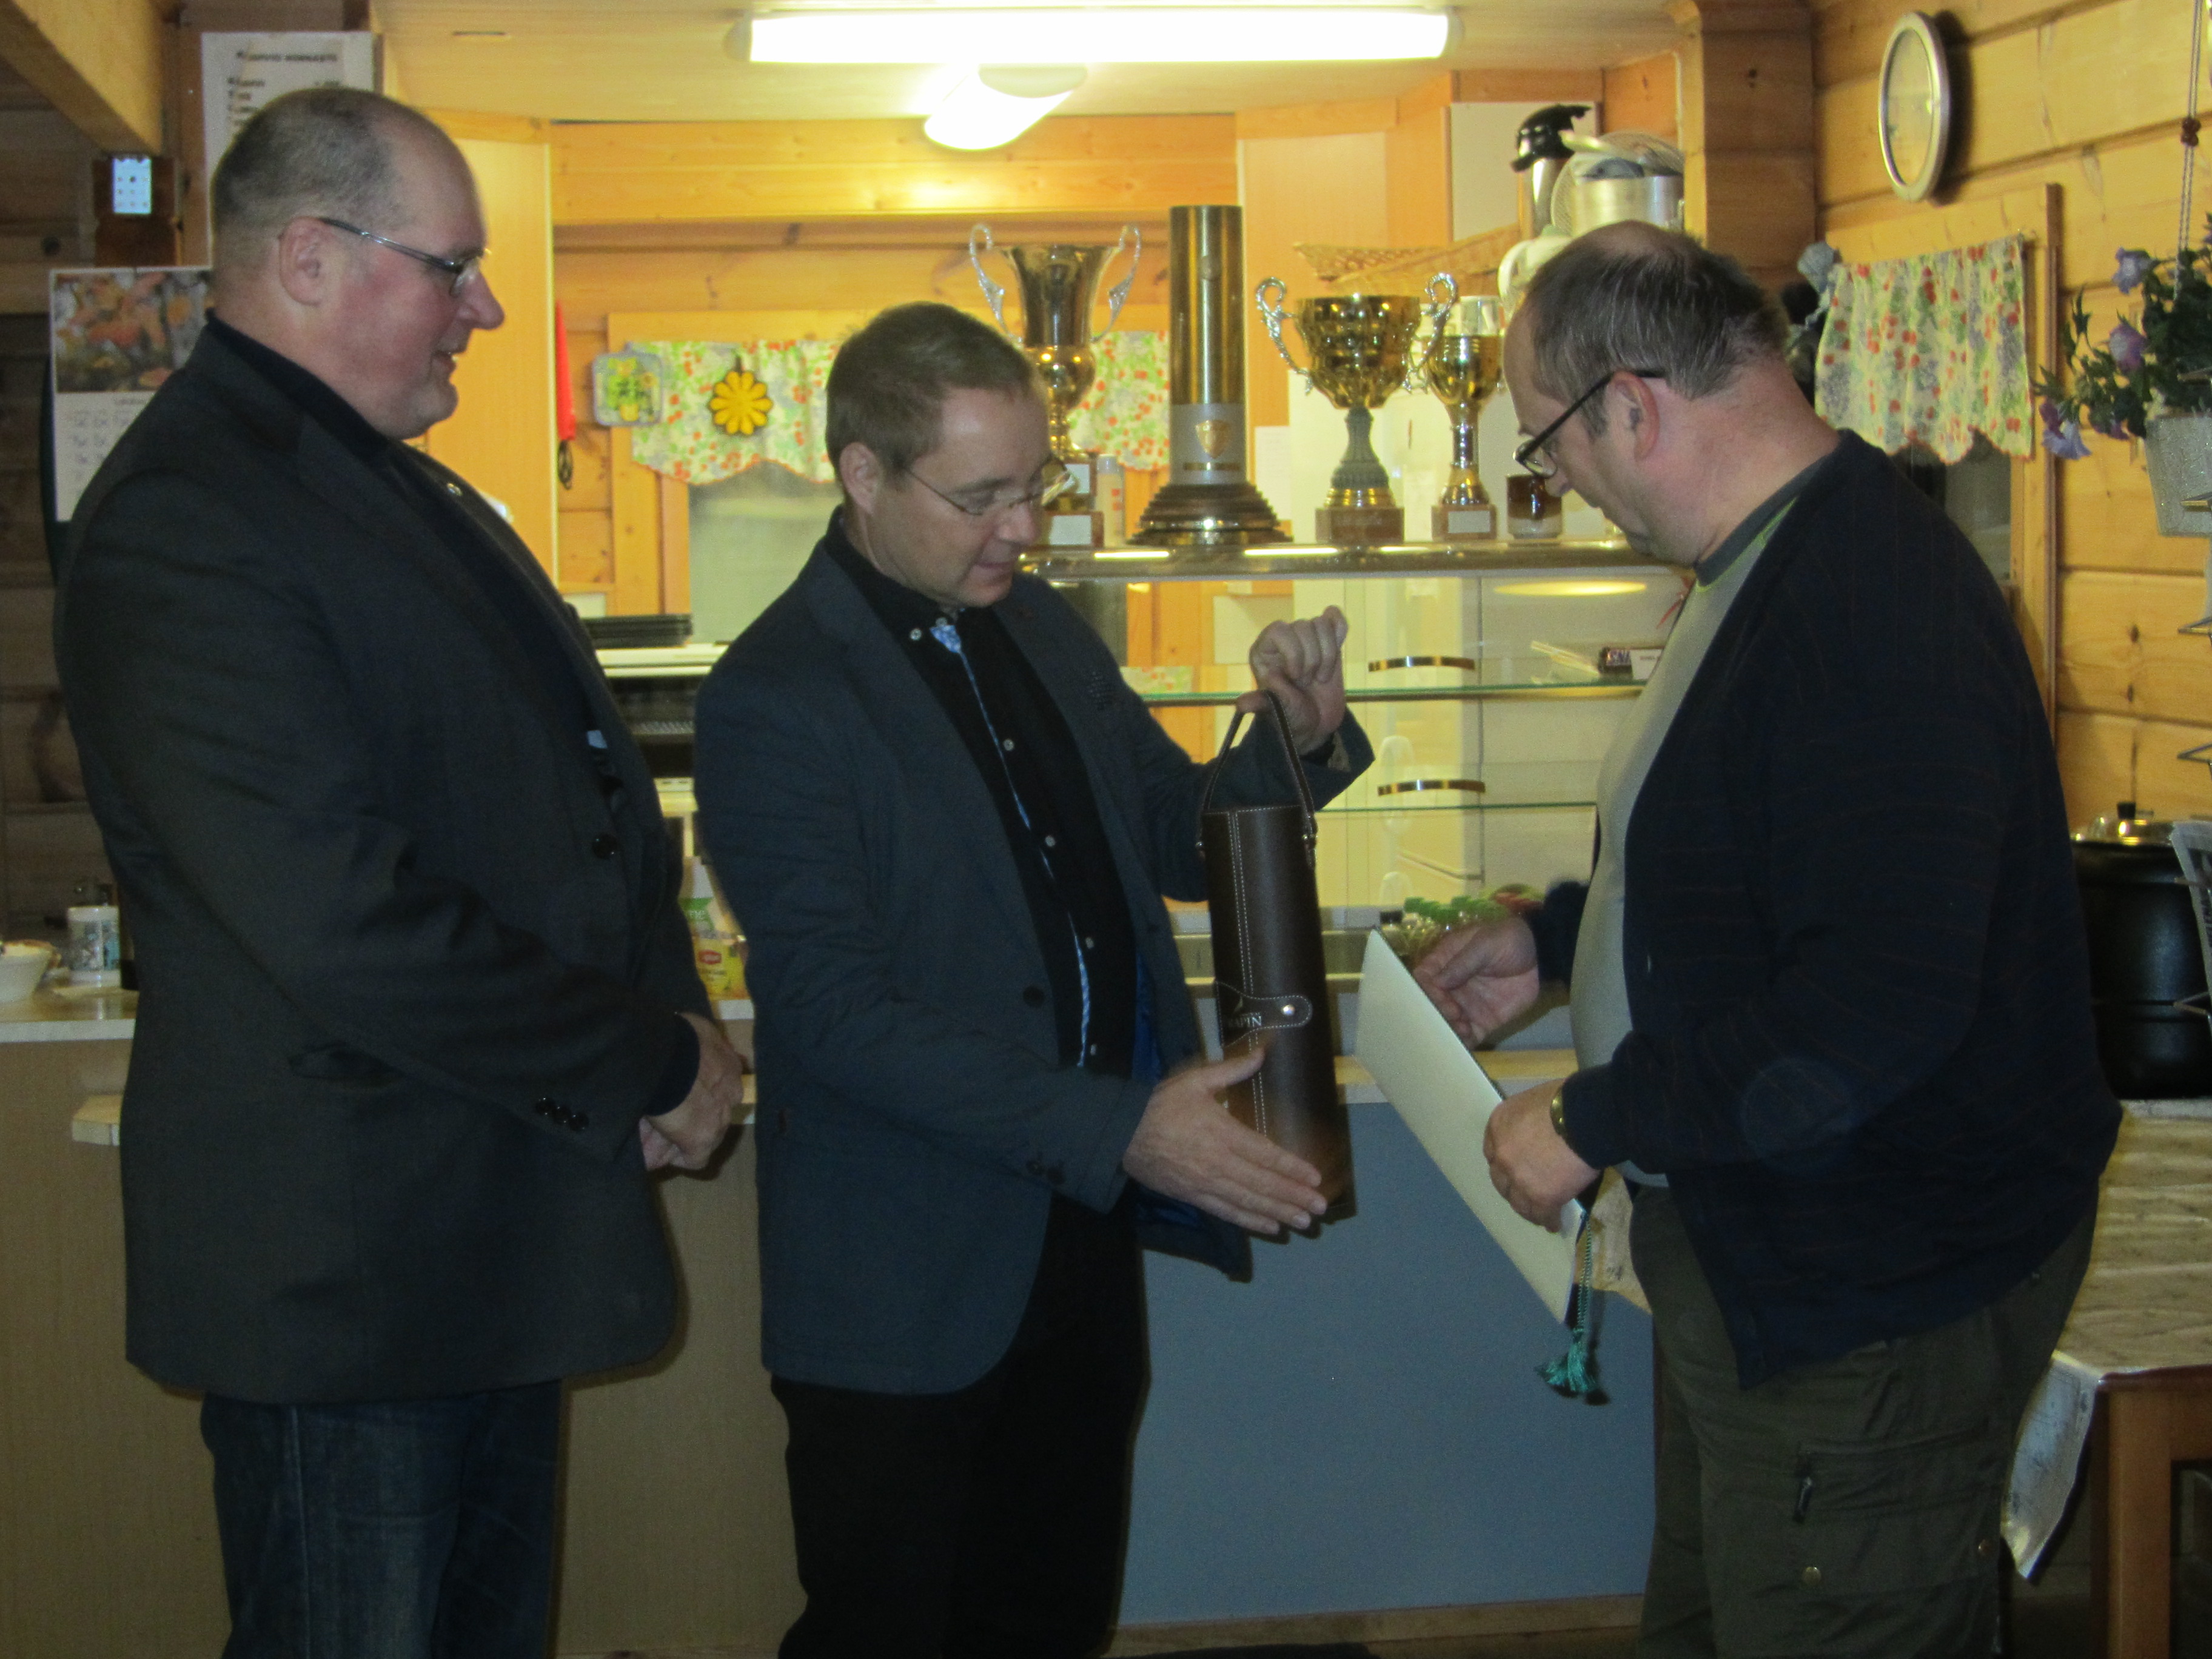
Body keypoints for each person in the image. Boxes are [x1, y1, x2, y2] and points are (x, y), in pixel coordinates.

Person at [54, 88, 745, 1659]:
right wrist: (642, 1055)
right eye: (453, 267)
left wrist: (673, 1013)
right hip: (351, 1283)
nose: (485, 309)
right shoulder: (187, 518)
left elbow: (576, 808)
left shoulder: (377, 482)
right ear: (309, 258)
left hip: (467, 1247)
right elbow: (341, 922)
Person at [1416, 222, 2119, 1658]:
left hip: (1867, 1293)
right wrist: (1560, 941)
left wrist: (1598, 1114)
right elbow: (1760, 868)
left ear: (1630, 406)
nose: (1562, 479)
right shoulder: (1771, 562)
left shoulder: (1869, 607)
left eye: (1549, 440)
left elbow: (1874, 1006)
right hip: (1772, 1264)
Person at [693, 300, 1372, 1658]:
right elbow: (833, 1016)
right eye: (981, 497)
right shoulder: (775, 693)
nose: (1023, 527)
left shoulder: (1044, 627)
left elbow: (1174, 837)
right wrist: (1124, 1127)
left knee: (1054, 1621)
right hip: (906, 1280)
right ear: (863, 474)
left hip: (1075, 1248)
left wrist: (1294, 745)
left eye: (1037, 485)